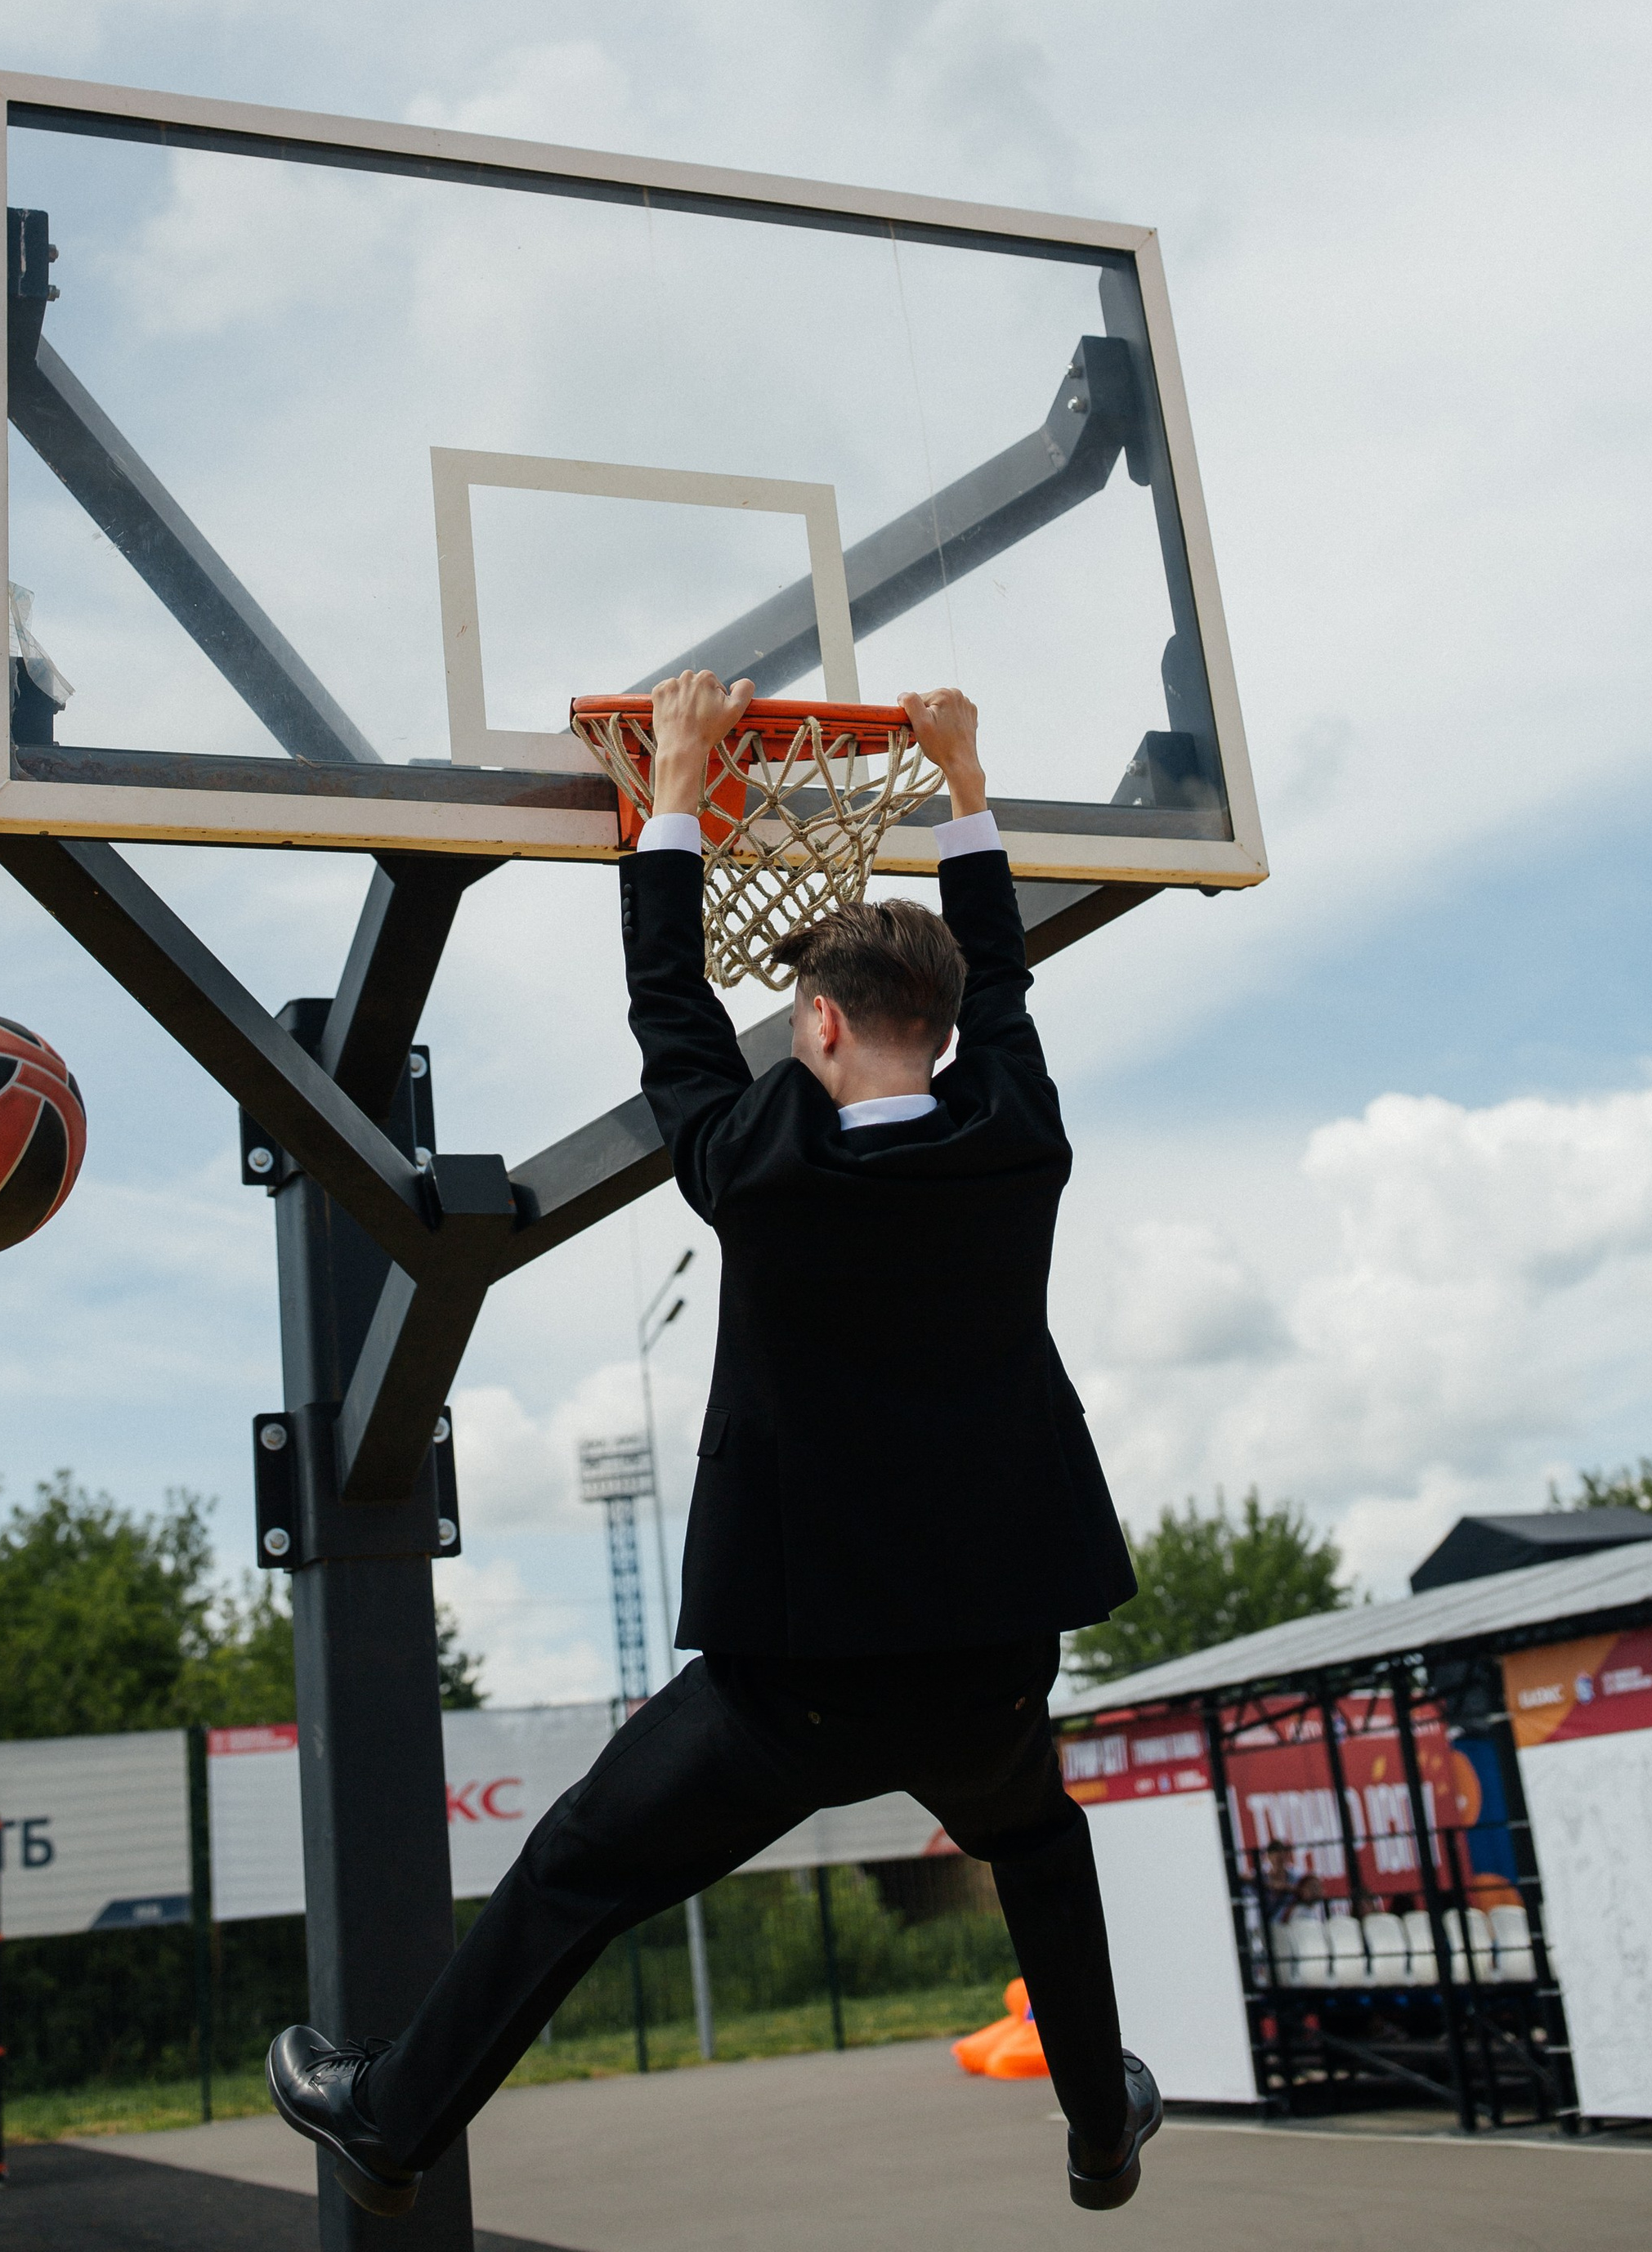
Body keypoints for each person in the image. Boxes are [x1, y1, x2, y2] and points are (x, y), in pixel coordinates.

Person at [268, 670, 1161, 2216]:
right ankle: (1098, 2126)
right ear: (943, 1036)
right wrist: (963, 784)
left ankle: (395, 2118)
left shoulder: (760, 1164)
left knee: (575, 1873)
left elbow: (669, 1013)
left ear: (813, 1025)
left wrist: (669, 787)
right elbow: (1004, 983)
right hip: (984, 1669)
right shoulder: (1020, 1136)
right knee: (1037, 1845)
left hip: (795, 1687)